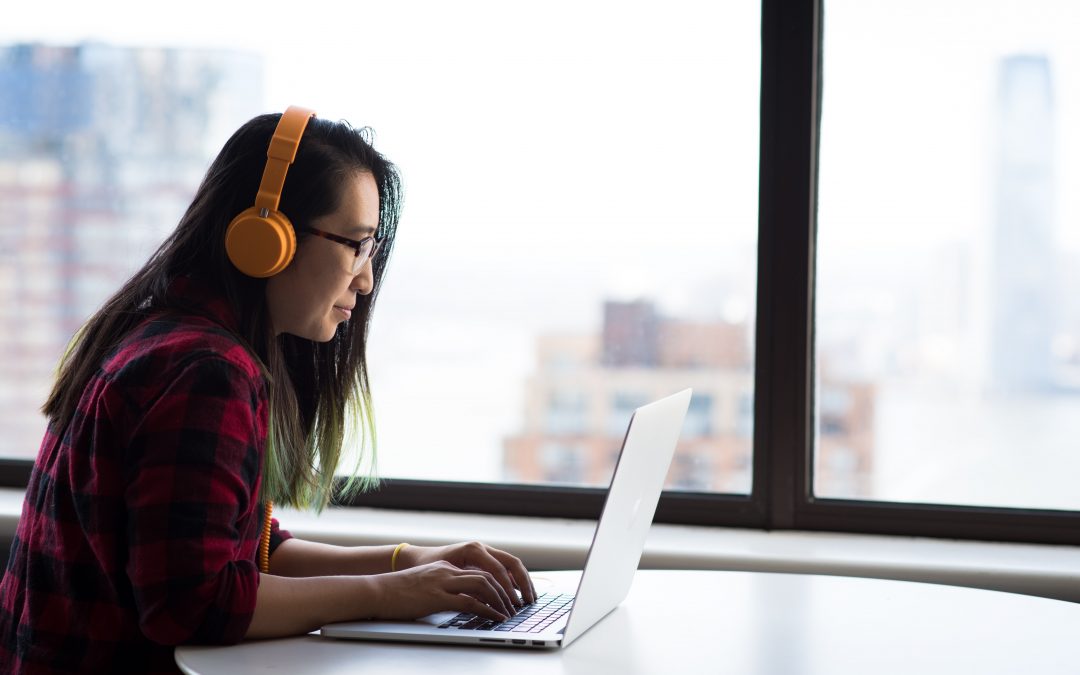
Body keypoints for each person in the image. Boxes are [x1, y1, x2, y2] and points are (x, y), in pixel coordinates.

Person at [0, 107, 536, 674]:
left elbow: (252, 550)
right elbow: (193, 604)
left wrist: (409, 562)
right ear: (266, 236)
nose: (366, 278)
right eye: (354, 245)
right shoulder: (205, 370)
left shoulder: (171, 334)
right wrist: (392, 593)